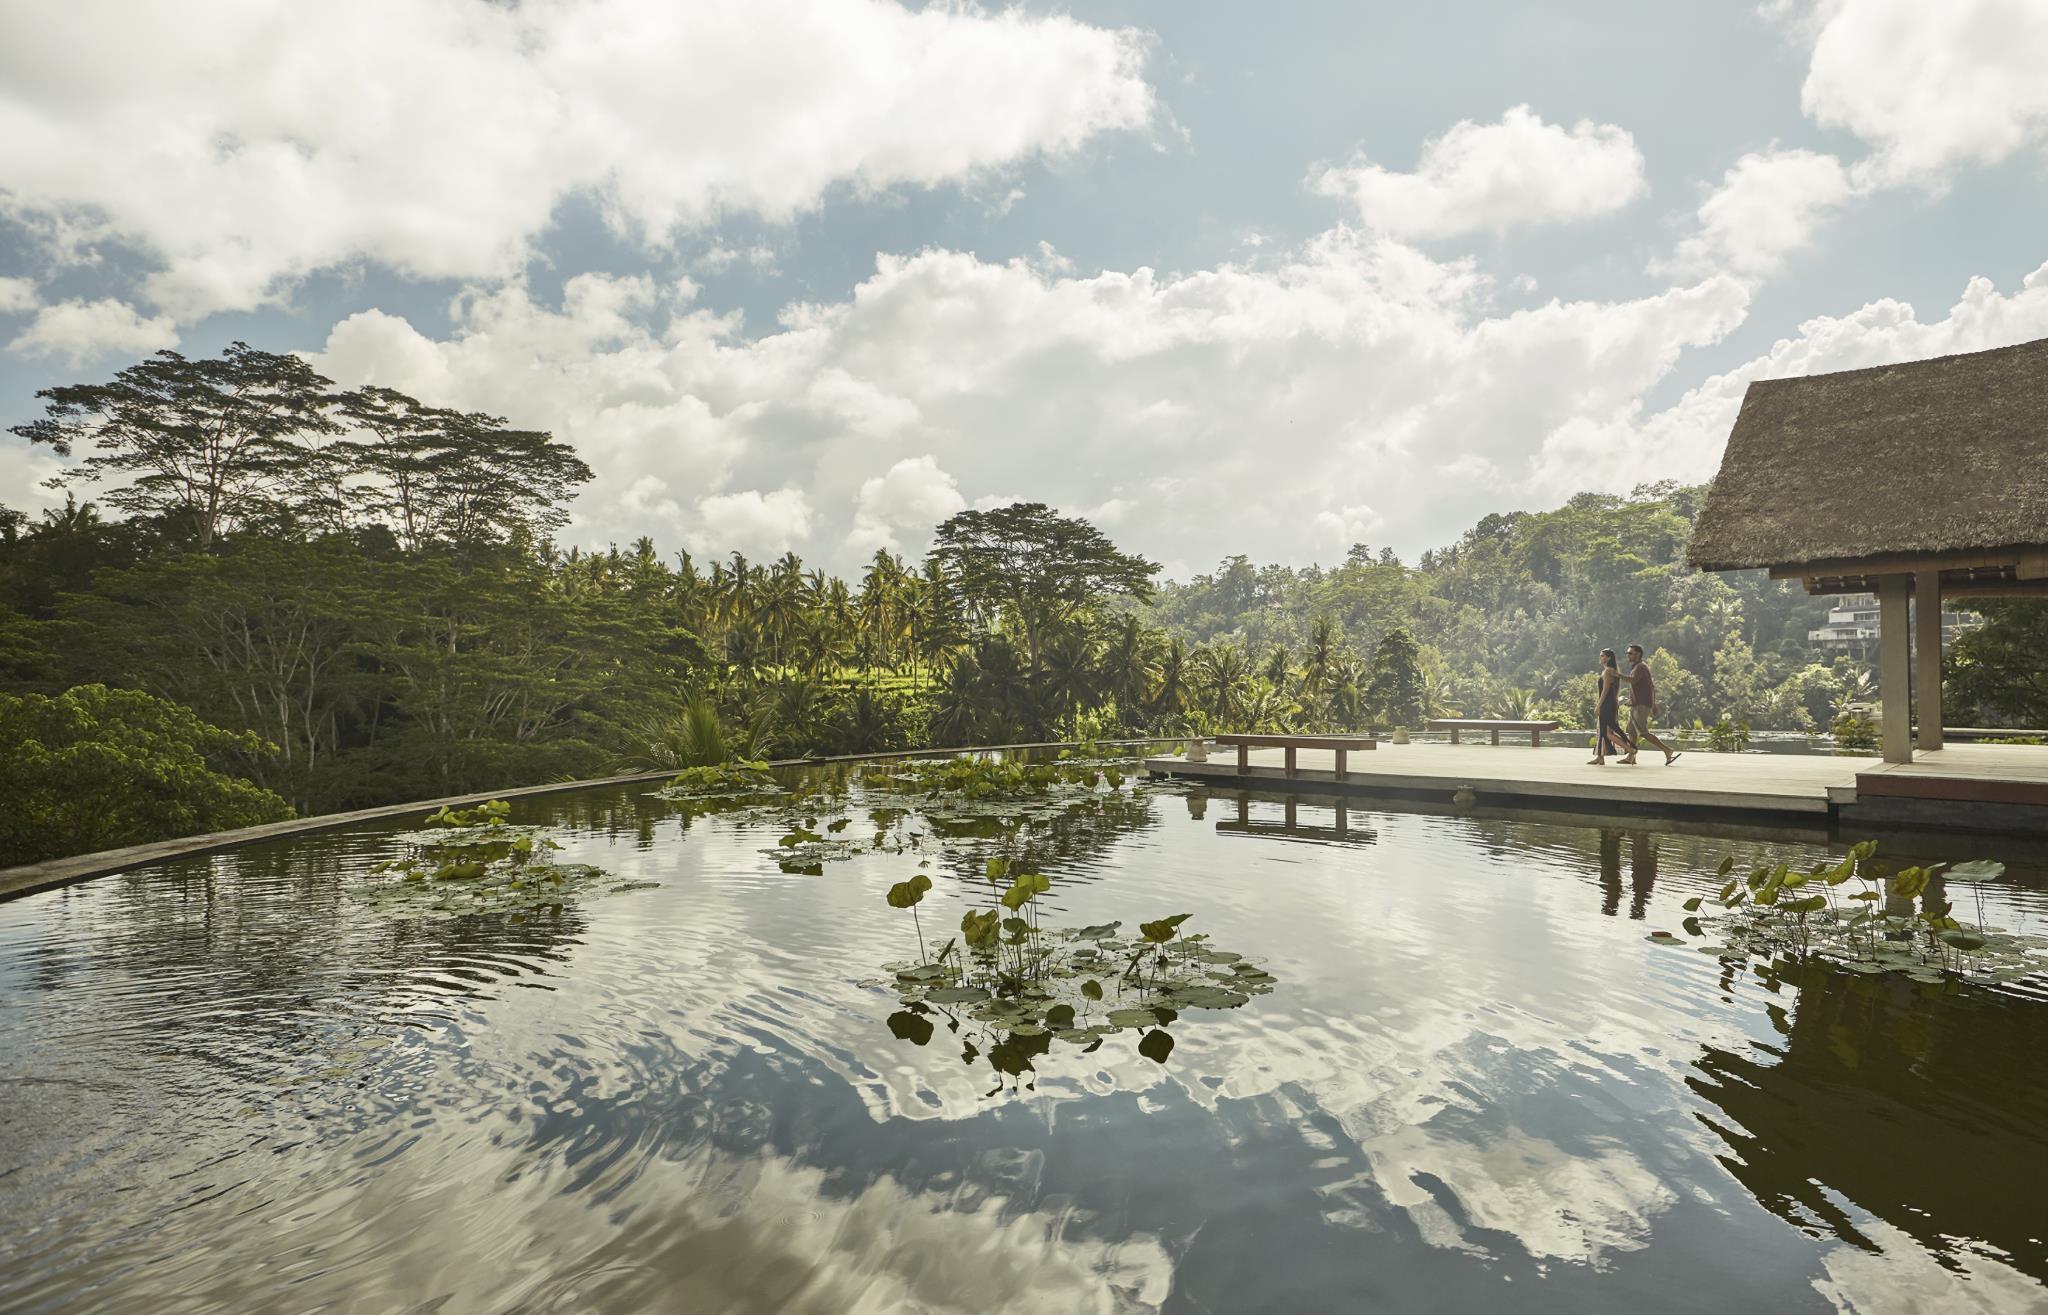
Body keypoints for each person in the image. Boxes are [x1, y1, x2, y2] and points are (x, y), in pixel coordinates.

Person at [1621, 644, 1679, 766]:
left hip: (1642, 705)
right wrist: (1632, 700)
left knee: (1642, 732)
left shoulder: (1640, 667)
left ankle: (1667, 750)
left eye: (1630, 653)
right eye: (1628, 653)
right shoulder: (1637, 667)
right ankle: (1631, 756)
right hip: (1636, 704)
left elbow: (1633, 680)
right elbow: (1649, 687)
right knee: (1631, 731)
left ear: (1638, 654)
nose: (1628, 655)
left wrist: (1616, 674)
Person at [1589, 648, 1634, 766]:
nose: (1601, 658)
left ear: (1608, 658)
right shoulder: (1610, 671)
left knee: (1608, 732)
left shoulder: (1608, 671)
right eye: (1600, 655)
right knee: (1602, 731)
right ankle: (1600, 757)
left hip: (1607, 705)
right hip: (1609, 704)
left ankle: (1630, 750)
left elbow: (1606, 690)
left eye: (1603, 656)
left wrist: (1598, 705)